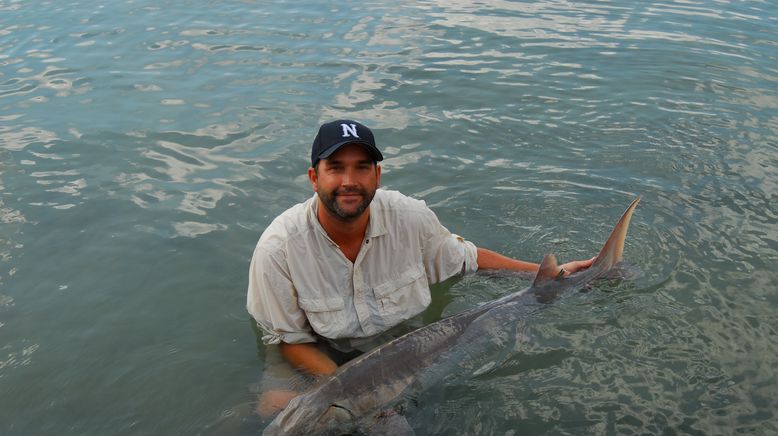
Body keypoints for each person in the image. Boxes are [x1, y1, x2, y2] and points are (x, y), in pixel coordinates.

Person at [247, 119, 595, 416]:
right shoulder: (277, 250)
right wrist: (344, 390)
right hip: (319, 355)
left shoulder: (409, 217)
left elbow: (466, 259)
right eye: (335, 168)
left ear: (377, 176)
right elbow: (286, 340)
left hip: (405, 343)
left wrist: (548, 275)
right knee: (270, 409)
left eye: (361, 167)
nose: (349, 181)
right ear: (313, 177)